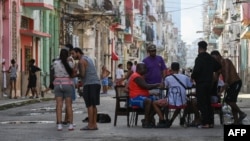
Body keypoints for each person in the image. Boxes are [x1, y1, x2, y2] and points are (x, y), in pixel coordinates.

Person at [211, 50, 247, 125]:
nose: (213, 60)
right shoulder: (218, 67)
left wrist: (226, 83)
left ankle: (241, 113)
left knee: (229, 100)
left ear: (218, 56)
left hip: (236, 82)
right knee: (232, 101)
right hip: (230, 85)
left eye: (214, 58)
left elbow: (227, 73)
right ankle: (236, 121)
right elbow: (215, 78)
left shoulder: (226, 61)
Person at [191, 41, 221, 128]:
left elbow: (196, 71)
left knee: (201, 103)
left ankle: (205, 123)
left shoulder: (199, 58)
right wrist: (215, 78)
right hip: (209, 84)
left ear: (199, 48)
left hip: (201, 84)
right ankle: (210, 122)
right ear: (206, 48)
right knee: (208, 103)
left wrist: (192, 76)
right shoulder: (210, 58)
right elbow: (218, 68)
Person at [152, 62, 193, 128]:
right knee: (182, 103)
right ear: (179, 69)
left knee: (155, 103)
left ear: (171, 69)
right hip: (182, 101)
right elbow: (190, 85)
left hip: (170, 101)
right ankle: (172, 120)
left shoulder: (168, 78)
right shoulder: (185, 77)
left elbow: (164, 86)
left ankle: (163, 120)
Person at [71, 47, 101, 130]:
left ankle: (90, 125)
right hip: (96, 83)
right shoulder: (88, 58)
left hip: (89, 84)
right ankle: (94, 124)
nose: (72, 56)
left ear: (78, 53)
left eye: (73, 53)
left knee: (89, 105)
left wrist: (75, 75)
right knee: (94, 105)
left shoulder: (81, 61)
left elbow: (83, 74)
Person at [128, 63, 162, 128]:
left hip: (142, 96)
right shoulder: (136, 76)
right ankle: (146, 121)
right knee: (148, 101)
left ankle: (149, 118)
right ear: (138, 69)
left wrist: (151, 93)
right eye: (144, 68)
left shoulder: (140, 76)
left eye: (145, 68)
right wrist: (158, 84)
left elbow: (142, 89)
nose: (145, 70)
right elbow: (146, 86)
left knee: (159, 102)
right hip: (135, 98)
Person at [53, 48, 75, 131]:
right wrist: (71, 60)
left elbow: (54, 73)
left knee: (59, 105)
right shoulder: (70, 63)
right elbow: (73, 72)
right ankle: (71, 125)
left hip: (58, 84)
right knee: (69, 105)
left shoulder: (55, 62)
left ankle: (59, 124)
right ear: (67, 55)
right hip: (67, 84)